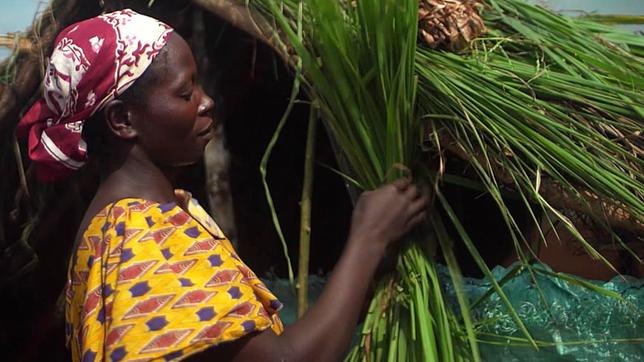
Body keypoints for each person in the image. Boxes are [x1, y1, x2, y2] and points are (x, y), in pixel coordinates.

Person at [16, 9, 428, 362]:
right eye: (185, 91)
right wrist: (369, 237)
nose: (206, 101)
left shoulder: (130, 222)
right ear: (123, 120)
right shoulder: (140, 237)